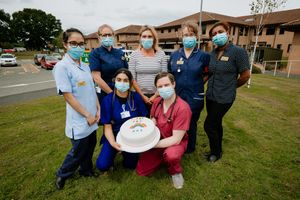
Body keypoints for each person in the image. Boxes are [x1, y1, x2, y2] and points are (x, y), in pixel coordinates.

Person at [52, 28, 100, 190]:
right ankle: (62, 173)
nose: (78, 47)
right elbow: (68, 96)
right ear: (65, 45)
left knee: (90, 146)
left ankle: (86, 170)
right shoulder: (62, 67)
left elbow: (92, 90)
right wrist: (87, 114)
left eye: (81, 44)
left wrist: (98, 109)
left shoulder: (85, 66)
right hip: (80, 119)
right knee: (78, 151)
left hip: (92, 116)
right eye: (73, 43)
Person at [136, 72, 192, 189]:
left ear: (174, 84)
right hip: (158, 136)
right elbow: (154, 118)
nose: (163, 89)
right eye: (160, 87)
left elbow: (176, 139)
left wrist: (151, 145)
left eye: (166, 85)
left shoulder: (183, 108)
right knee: (142, 171)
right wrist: (149, 128)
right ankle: (161, 158)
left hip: (176, 142)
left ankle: (175, 171)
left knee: (171, 155)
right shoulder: (157, 102)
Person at [204, 22, 250, 162]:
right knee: (217, 123)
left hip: (224, 97)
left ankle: (215, 153)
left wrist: (232, 86)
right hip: (211, 95)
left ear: (227, 33)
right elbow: (209, 73)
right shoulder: (212, 53)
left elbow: (246, 75)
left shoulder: (238, 52)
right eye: (214, 34)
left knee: (209, 125)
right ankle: (217, 149)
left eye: (220, 32)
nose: (217, 35)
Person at [168, 21, 210, 153]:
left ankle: (190, 147)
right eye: (185, 34)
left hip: (194, 96)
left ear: (196, 36)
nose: (188, 37)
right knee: (177, 122)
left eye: (191, 34)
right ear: (181, 36)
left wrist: (197, 83)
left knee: (191, 123)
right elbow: (170, 75)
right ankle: (177, 143)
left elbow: (208, 73)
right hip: (177, 95)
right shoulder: (174, 55)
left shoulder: (203, 56)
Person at [96, 68, 147, 171]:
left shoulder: (136, 98)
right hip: (114, 134)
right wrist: (113, 143)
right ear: (114, 81)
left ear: (130, 82)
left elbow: (143, 119)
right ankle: (113, 152)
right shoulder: (108, 100)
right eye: (119, 80)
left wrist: (138, 139)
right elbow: (107, 127)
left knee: (131, 165)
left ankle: (127, 153)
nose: (122, 83)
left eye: (125, 80)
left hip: (132, 135)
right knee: (102, 165)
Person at [129, 25, 167, 114]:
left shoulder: (161, 54)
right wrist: (142, 96)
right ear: (140, 38)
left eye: (150, 36)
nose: (147, 39)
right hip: (139, 96)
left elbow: (164, 77)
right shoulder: (134, 55)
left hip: (158, 95)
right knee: (142, 123)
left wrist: (156, 95)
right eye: (144, 36)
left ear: (154, 38)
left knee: (157, 122)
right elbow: (132, 78)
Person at [89, 24, 128, 104]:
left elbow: (127, 73)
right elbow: (96, 78)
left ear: (113, 36)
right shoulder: (95, 53)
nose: (107, 37)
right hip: (105, 93)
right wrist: (112, 94)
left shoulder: (120, 53)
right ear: (99, 37)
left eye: (109, 34)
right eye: (104, 35)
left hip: (122, 90)